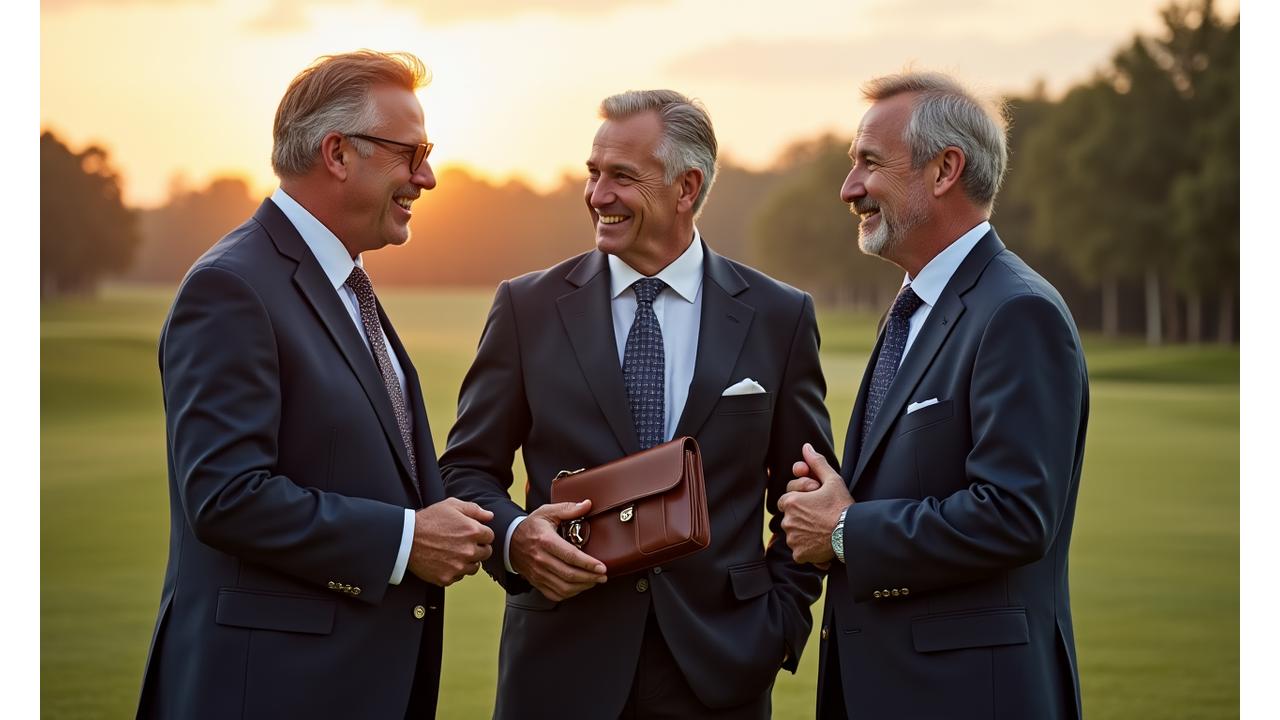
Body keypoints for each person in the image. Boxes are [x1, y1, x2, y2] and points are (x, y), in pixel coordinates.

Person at [440, 89, 835, 718]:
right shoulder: (526, 308)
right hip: (560, 671)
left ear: (687, 187)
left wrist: (778, 623)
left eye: (622, 176)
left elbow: (810, 491)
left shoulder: (780, 316)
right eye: (593, 174)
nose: (597, 195)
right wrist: (517, 540)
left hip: (721, 672)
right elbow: (464, 470)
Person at [135, 50, 494, 719]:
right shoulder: (232, 287)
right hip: (269, 693)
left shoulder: (344, 285)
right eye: (411, 153)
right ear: (337, 153)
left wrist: (518, 533)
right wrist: (404, 541)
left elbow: (385, 479)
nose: (430, 176)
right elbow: (224, 496)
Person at [778, 71, 1089, 720]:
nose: (849, 188)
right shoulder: (916, 308)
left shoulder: (1016, 312)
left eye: (869, 163)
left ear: (946, 169)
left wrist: (843, 530)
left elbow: (1014, 514)